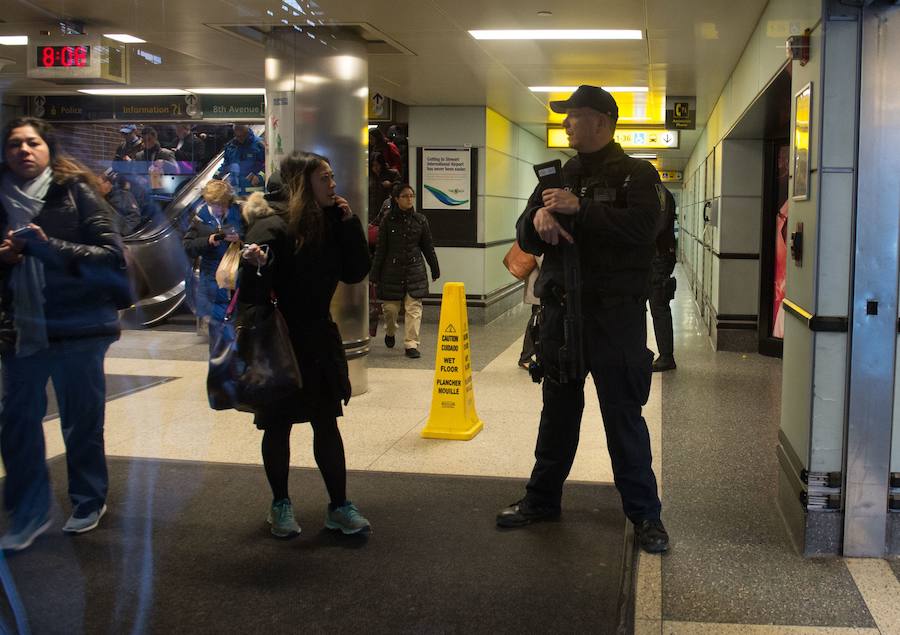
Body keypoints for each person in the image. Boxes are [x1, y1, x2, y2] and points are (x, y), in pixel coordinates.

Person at [495, 85, 670, 554]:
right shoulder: (559, 174)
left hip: (615, 321)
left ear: (603, 121)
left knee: (623, 418)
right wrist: (536, 221)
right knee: (557, 415)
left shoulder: (638, 174)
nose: (567, 124)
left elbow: (642, 230)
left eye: (574, 116)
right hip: (562, 317)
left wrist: (582, 209)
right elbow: (524, 237)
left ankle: (646, 516)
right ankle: (541, 499)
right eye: (566, 117)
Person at [0, 117, 127, 551]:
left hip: (79, 327)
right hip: (19, 328)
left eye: (32, 143)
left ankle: (88, 499)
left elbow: (111, 259)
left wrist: (46, 247)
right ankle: (28, 510)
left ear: (48, 149)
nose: (23, 151)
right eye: (14, 144)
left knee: (81, 419)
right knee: (16, 423)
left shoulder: (76, 193)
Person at [239, 151, 371, 538]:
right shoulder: (271, 226)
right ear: (302, 183)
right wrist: (256, 265)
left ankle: (339, 505)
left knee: (326, 422)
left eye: (332, 178)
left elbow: (355, 271)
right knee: (277, 426)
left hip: (317, 337)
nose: (333, 185)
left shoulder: (332, 220)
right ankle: (280, 503)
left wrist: (349, 224)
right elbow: (252, 294)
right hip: (281, 341)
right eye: (325, 179)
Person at [370, 183, 440, 359]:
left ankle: (411, 343)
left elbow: (428, 246)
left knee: (414, 308)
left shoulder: (420, 220)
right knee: (390, 310)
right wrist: (374, 274)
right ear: (396, 199)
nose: (409, 199)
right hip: (391, 271)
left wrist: (434, 267)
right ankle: (390, 332)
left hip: (414, 269)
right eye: (405, 196)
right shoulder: (387, 221)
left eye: (411, 196)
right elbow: (381, 249)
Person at [182, 180, 243, 348]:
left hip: (236, 277)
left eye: (223, 204)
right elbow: (188, 247)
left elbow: (251, 236)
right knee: (217, 329)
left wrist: (241, 240)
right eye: (215, 205)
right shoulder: (200, 218)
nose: (220, 209)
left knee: (236, 323)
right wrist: (208, 241)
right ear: (208, 202)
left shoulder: (239, 213)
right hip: (212, 280)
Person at [649, 187, 677, 372]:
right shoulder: (658, 193)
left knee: (659, 306)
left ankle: (666, 357)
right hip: (656, 256)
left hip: (658, 257)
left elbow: (656, 227)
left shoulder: (659, 194)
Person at [215, 124, 265, 195]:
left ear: (248, 132)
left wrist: (260, 177)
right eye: (238, 136)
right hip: (236, 192)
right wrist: (216, 176)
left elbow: (268, 165)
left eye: (243, 135)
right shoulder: (230, 147)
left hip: (255, 193)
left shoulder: (259, 145)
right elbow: (226, 165)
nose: (240, 139)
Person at [518, 255, 543, 369]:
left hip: (541, 283)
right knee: (536, 321)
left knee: (539, 320)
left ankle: (538, 356)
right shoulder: (540, 237)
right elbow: (542, 259)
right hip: (539, 284)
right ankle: (526, 357)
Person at [98, 171, 142, 235]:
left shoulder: (124, 196)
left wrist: (120, 233)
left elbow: (134, 218)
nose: (96, 188)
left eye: (98, 185)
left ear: (107, 183)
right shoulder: (99, 199)